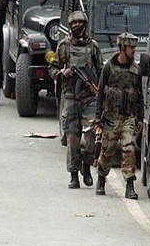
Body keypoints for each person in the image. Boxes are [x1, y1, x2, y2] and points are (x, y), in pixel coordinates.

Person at [48, 11, 103, 189]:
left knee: (91, 136)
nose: (77, 26)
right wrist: (62, 73)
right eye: (74, 23)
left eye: (80, 22)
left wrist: (100, 92)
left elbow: (101, 71)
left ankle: (86, 165)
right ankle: (73, 174)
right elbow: (52, 68)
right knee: (72, 138)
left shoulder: (93, 46)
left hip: (89, 98)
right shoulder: (64, 46)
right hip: (71, 96)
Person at [94, 32, 143, 199]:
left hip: (129, 117)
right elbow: (100, 93)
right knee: (107, 150)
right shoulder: (109, 67)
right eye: (131, 47)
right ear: (122, 48)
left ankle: (130, 185)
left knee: (129, 148)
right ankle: (101, 178)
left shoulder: (136, 70)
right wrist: (98, 117)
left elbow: (140, 95)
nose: (134, 51)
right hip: (111, 117)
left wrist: (140, 118)